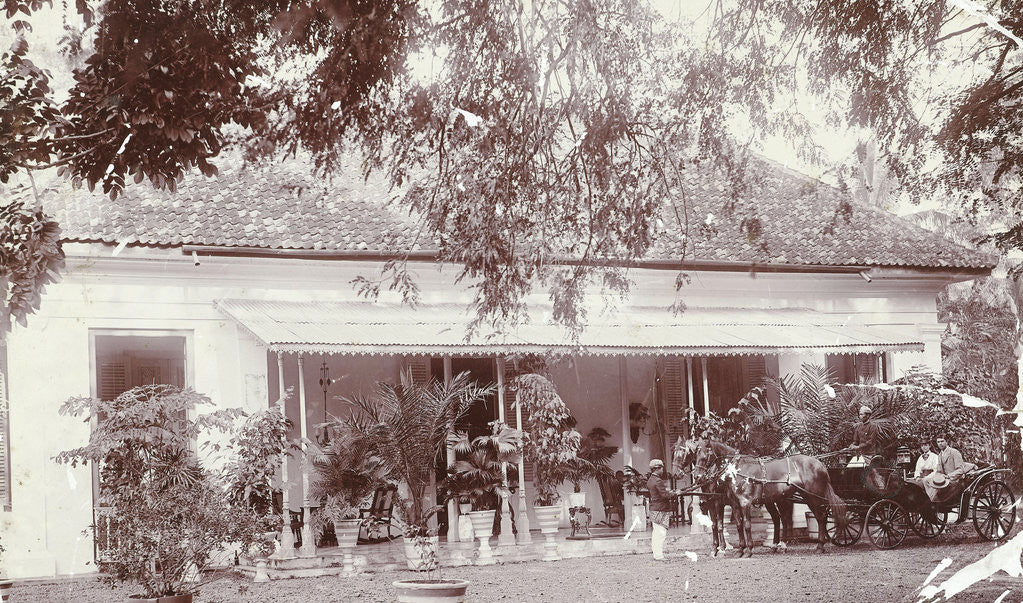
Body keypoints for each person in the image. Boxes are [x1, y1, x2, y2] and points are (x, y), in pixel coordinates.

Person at [646, 458, 679, 561]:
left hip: (654, 508)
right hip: (660, 508)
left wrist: (669, 492)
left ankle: (656, 554)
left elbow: (660, 492)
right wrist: (675, 493)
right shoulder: (658, 480)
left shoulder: (651, 479)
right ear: (657, 469)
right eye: (661, 468)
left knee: (656, 533)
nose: (663, 470)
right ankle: (659, 556)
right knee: (661, 533)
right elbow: (664, 495)